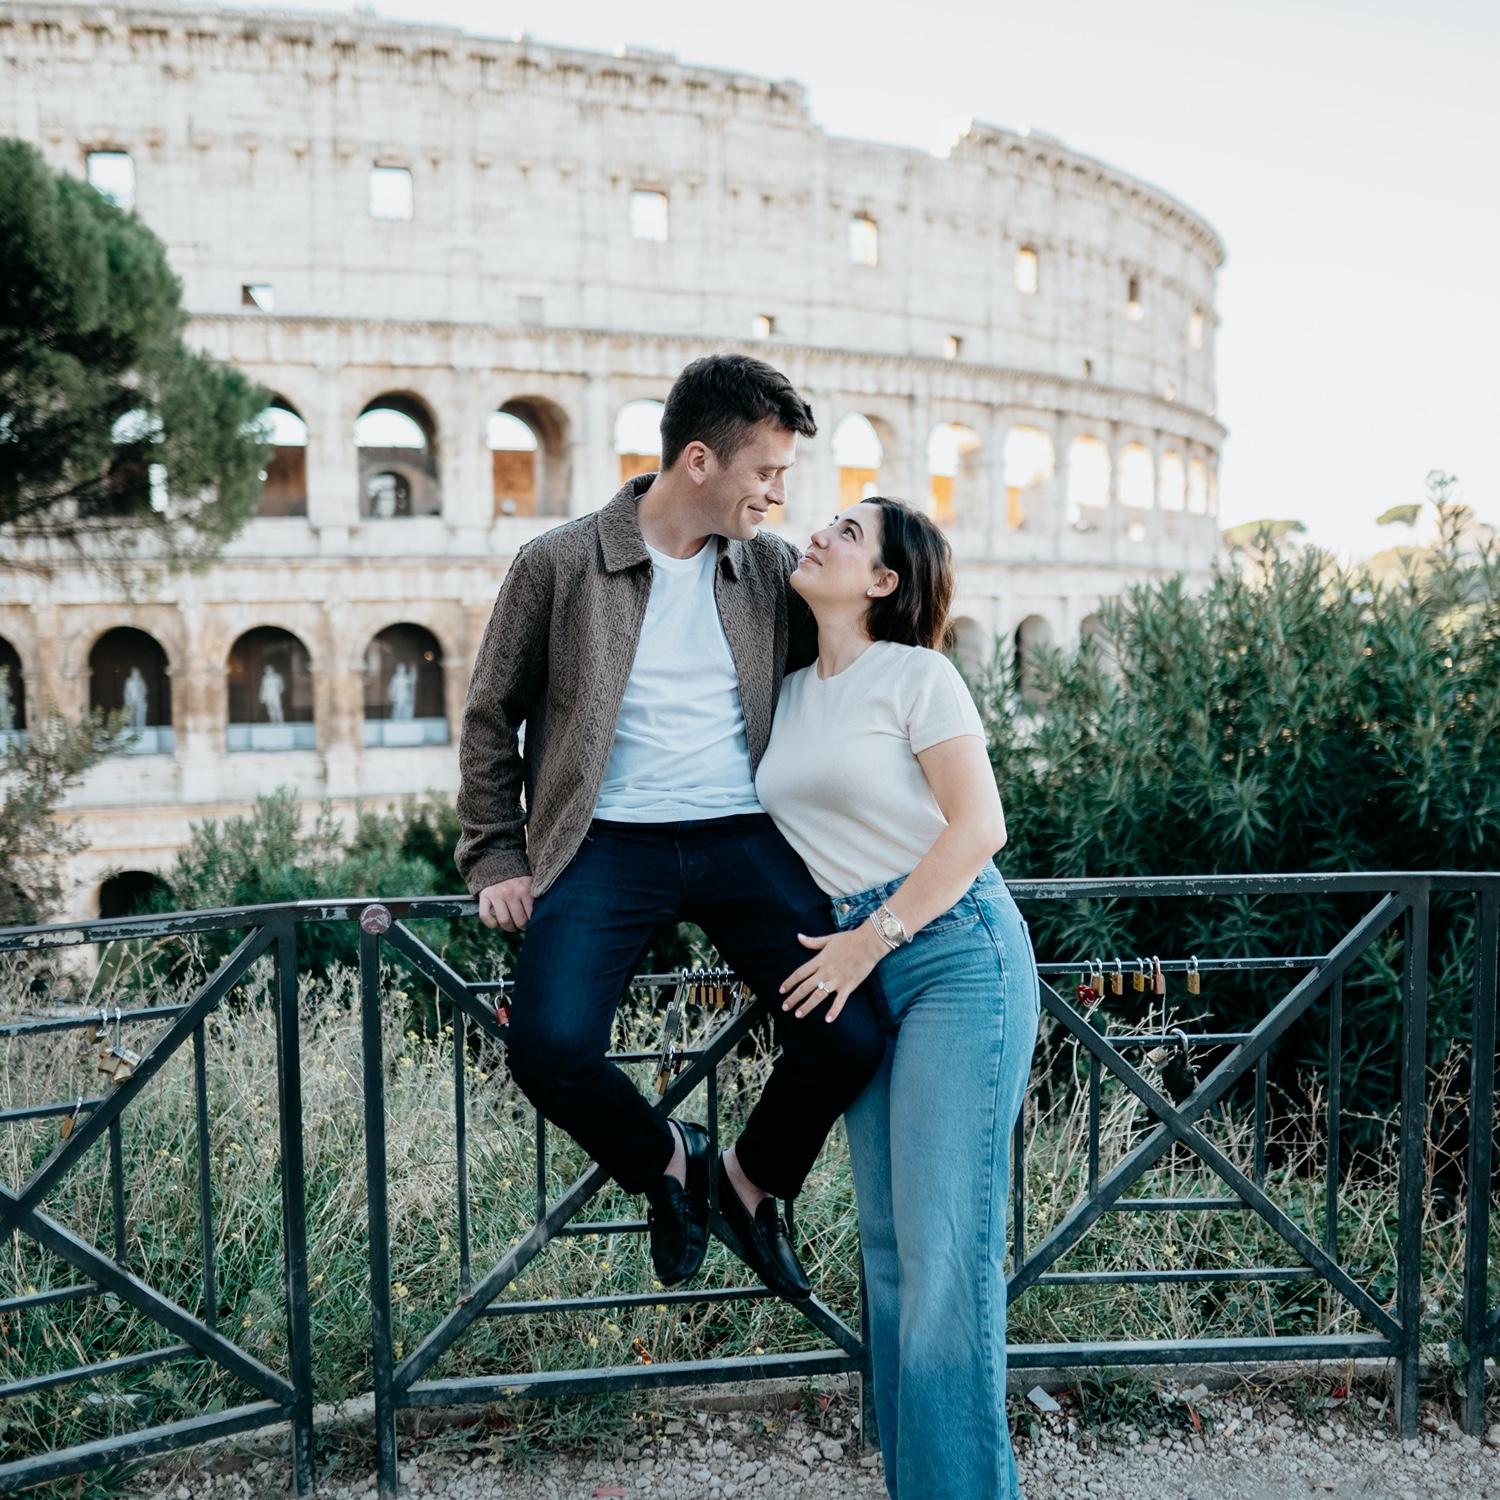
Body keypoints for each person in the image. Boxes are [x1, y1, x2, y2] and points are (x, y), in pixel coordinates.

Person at [455, 354, 886, 1301]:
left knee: (850, 1036)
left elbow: (850, 666)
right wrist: (495, 853)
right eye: (765, 472)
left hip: (744, 839)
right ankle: (671, 1163)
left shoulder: (769, 569)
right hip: (605, 842)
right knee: (549, 1050)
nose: (778, 495)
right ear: (699, 461)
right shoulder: (557, 563)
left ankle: (748, 1186)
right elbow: (491, 716)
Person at [755, 496, 1040, 1500]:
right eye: (826, 521)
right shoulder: (787, 692)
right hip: (860, 967)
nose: (819, 534)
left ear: (883, 581)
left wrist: (871, 940)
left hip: (955, 955)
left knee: (944, 1257)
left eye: (848, 532)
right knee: (887, 1259)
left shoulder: (920, 675)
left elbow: (979, 828)